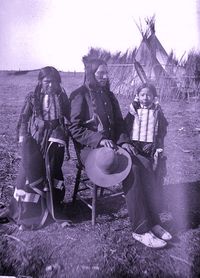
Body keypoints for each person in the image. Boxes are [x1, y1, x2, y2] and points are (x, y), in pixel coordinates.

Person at [69, 57, 172, 248]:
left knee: (145, 163)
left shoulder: (109, 95)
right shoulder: (79, 95)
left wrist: (124, 142)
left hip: (113, 145)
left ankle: (153, 221)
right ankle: (140, 230)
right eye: (100, 73)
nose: (105, 77)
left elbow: (119, 124)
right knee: (131, 169)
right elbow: (74, 129)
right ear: (91, 73)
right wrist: (99, 139)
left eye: (106, 73)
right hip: (91, 150)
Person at [7, 66, 70, 230]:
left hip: (55, 140)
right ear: (41, 81)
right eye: (47, 82)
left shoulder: (62, 97)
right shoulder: (32, 97)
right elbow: (24, 119)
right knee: (29, 173)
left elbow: (69, 118)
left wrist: (64, 132)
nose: (51, 85)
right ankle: (27, 214)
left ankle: (53, 210)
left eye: (54, 82)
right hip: (37, 139)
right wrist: (23, 139)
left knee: (52, 172)